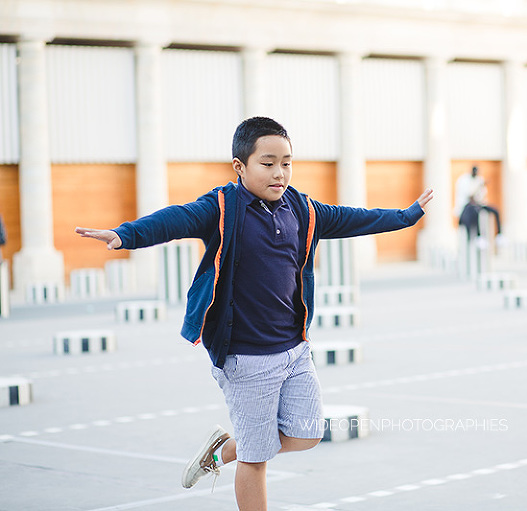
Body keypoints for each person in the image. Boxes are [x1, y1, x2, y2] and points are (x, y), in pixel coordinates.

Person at [75, 116, 434, 511]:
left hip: (294, 350)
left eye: (286, 163)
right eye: (268, 163)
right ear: (240, 166)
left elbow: (354, 218)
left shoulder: (301, 208)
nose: (279, 173)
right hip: (246, 358)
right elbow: (176, 219)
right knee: (256, 459)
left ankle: (223, 449)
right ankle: (241, 450)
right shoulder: (222, 207)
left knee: (308, 434)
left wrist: (406, 216)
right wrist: (126, 234)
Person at [454, 166, 502, 243]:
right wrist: (479, 187)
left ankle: (499, 234)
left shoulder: (479, 180)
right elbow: (470, 196)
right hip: (468, 206)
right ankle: (478, 236)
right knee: (477, 213)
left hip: (479, 204)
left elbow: (482, 197)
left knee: (495, 211)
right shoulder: (465, 180)